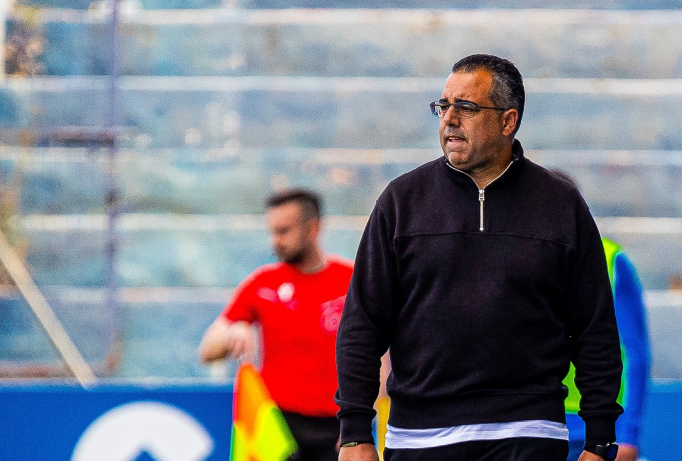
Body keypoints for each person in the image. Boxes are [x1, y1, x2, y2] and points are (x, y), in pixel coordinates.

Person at [334, 54, 623, 461]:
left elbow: (595, 331)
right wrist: (354, 433)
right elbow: (362, 325)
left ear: (508, 121)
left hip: (528, 433)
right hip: (418, 438)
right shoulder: (401, 201)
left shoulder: (561, 205)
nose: (449, 119)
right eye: (443, 106)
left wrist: (600, 441)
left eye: (466, 107)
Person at [199, 188, 354, 461]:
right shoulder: (263, 284)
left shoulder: (351, 281)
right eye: (272, 232)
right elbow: (207, 351)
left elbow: (380, 354)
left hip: (337, 425)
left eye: (284, 231)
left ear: (313, 229)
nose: (275, 241)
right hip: (278, 426)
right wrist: (234, 330)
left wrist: (360, 424)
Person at [550, 171, 651, 461]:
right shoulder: (516, 259)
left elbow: (635, 350)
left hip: (595, 425)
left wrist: (628, 433)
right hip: (533, 421)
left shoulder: (610, 259)